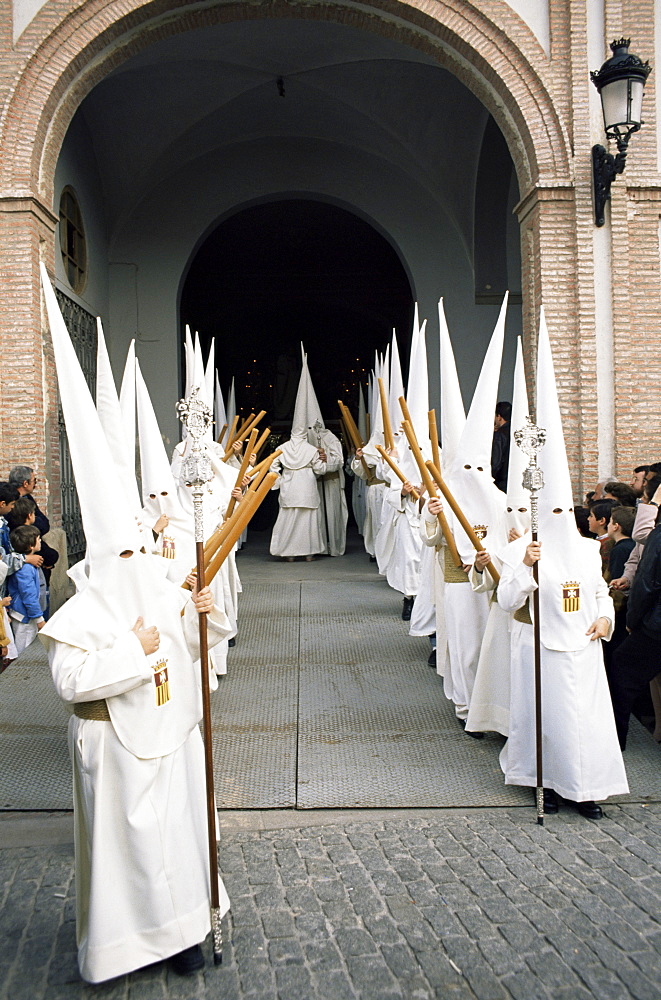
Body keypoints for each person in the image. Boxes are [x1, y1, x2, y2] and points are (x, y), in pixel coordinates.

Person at [40, 263, 232, 984]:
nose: (132, 561)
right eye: (117, 551)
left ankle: (186, 929)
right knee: (131, 851)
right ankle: (130, 944)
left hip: (172, 732)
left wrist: (199, 622)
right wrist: (132, 645)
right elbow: (71, 682)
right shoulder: (79, 610)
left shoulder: (156, 577)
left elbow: (187, 636)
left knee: (178, 840)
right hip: (113, 749)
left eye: (135, 547)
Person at [270, 354, 327, 560]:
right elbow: (320, 470)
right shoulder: (311, 449)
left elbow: (272, 466)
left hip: (289, 487)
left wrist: (278, 479)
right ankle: (309, 553)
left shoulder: (283, 448)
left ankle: (289, 554)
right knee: (307, 523)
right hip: (307, 487)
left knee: (289, 520)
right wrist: (321, 459)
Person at [7, 465, 59, 582]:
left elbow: (44, 524)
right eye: (34, 480)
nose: (35, 484)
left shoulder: (27, 498)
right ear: (25, 483)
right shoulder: (12, 503)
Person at [7, 524, 46, 655]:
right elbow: (29, 596)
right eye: (38, 539)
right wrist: (39, 619)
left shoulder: (27, 566)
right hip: (24, 615)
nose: (40, 541)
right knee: (24, 649)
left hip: (25, 614)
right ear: (30, 545)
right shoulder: (26, 569)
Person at [490, 400, 511, 492]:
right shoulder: (518, 432)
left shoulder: (499, 435)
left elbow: (496, 462)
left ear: (499, 417)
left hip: (502, 482)